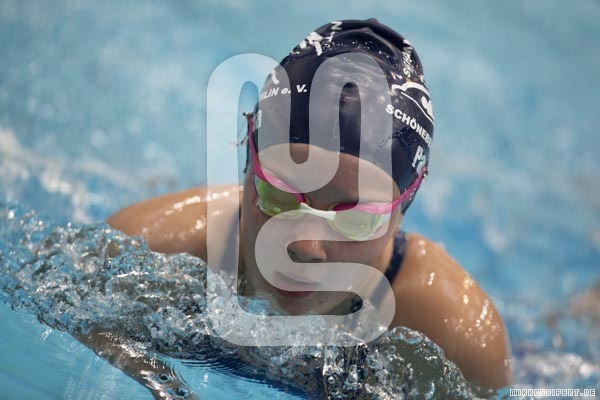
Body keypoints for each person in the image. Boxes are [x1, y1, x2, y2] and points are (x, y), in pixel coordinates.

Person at [107, 19, 512, 391]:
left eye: (354, 217)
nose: (304, 247)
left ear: (401, 211)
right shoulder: (147, 250)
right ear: (248, 164)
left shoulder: (453, 335)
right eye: (281, 195)